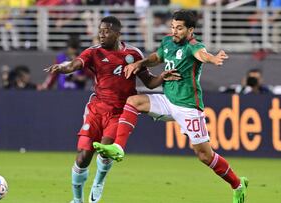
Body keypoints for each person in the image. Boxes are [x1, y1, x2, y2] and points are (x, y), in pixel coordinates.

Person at [93, 10, 248, 203]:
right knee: (134, 101)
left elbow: (202, 55)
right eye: (173, 27)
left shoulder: (194, 46)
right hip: (168, 100)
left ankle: (238, 185)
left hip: (188, 107)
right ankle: (118, 147)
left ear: (190, 30)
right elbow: (157, 58)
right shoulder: (167, 41)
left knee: (204, 156)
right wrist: (139, 63)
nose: (174, 31)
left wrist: (213, 59)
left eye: (179, 28)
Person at [44, 16, 180, 203]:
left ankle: (99, 182)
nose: (101, 35)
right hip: (96, 109)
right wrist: (62, 68)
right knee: (83, 156)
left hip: (120, 112)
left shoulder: (133, 54)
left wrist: (162, 77)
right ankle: (77, 200)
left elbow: (149, 83)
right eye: (100, 31)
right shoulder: (94, 52)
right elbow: (75, 64)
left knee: (106, 149)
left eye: (106, 31)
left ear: (117, 33)